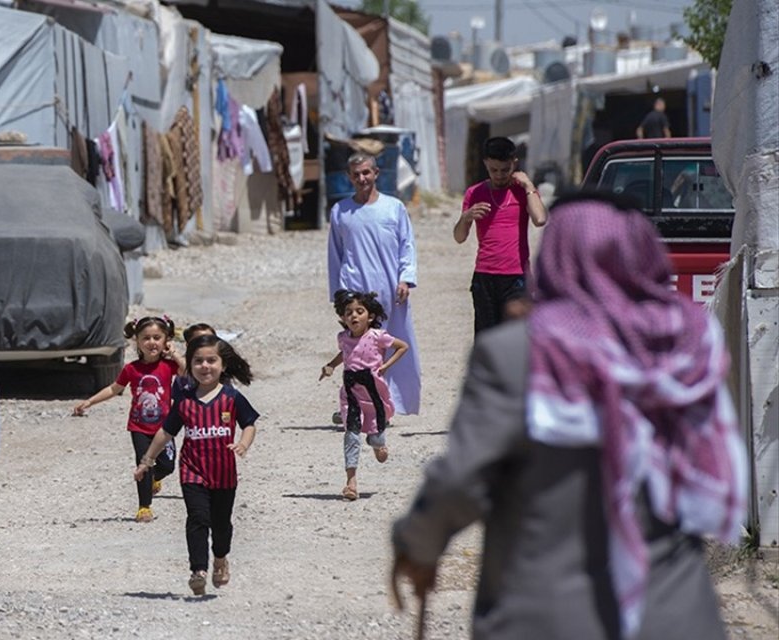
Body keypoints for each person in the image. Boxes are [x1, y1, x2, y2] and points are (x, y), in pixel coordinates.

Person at [389, 193, 747, 639]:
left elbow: (460, 481)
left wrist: (417, 544)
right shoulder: (688, 347)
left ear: (555, 255)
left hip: (549, 618)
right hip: (677, 617)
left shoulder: (519, 353)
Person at [133, 334, 258, 596]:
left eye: (211, 360)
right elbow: (165, 433)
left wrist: (243, 445)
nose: (205, 366)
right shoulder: (185, 402)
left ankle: (221, 559)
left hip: (224, 474)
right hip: (193, 471)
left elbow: (248, 424)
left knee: (221, 524)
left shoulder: (231, 398)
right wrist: (147, 462)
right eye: (198, 361)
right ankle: (198, 570)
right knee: (198, 518)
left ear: (223, 365)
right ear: (189, 366)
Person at [327, 153, 421, 421]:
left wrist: (405, 278)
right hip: (354, 291)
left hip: (389, 288)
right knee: (357, 349)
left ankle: (390, 402)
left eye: (366, 173)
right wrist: (338, 294)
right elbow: (335, 255)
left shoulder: (394, 208)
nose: (362, 179)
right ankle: (358, 404)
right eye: (356, 174)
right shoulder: (340, 211)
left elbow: (407, 245)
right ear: (349, 177)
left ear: (376, 173)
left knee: (389, 343)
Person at [73, 316, 183, 522]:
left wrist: (176, 355)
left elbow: (189, 373)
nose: (152, 342)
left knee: (167, 466)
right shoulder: (131, 369)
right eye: (146, 338)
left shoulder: (170, 366)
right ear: (137, 342)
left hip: (165, 428)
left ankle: (154, 478)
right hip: (139, 427)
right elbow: (114, 389)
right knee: (144, 463)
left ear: (166, 340)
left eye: (157, 337)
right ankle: (144, 507)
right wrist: (89, 402)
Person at [318, 290, 409, 500]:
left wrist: (385, 366)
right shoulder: (343, 338)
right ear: (342, 317)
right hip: (351, 391)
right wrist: (331, 366)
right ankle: (351, 483)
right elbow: (346, 353)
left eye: (359, 311)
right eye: (348, 312)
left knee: (376, 435)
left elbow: (402, 347)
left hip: (373, 392)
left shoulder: (378, 336)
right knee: (351, 433)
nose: (354, 316)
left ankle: (377, 444)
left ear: (370, 316)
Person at [454, 137, 547, 335]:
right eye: (493, 170)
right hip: (485, 275)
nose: (499, 175)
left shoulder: (523, 191)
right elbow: (459, 237)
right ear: (486, 164)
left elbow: (540, 219)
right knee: (486, 337)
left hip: (516, 275)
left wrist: (529, 186)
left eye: (505, 170)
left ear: (514, 163)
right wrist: (466, 217)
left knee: (518, 335)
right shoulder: (474, 193)